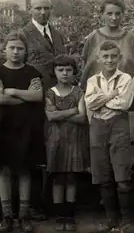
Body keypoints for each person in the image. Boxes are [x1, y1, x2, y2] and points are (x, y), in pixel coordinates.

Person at [0, 30, 45, 232]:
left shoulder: (32, 73)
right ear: (5, 50)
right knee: (3, 170)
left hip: (25, 128)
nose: (15, 52)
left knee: (24, 169)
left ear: (25, 51)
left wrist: (12, 91)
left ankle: (24, 216)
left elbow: (38, 96)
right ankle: (7, 216)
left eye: (20, 48)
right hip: (4, 127)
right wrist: (24, 98)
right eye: (11, 48)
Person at [22, 0, 67, 221]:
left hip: (56, 101)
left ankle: (49, 203)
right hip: (33, 104)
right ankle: (31, 205)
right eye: (38, 8)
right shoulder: (22, 35)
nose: (42, 13)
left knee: (53, 149)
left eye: (46, 8)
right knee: (34, 152)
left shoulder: (57, 35)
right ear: (30, 10)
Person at [84, 41, 134, 232]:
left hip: (119, 126)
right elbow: (90, 103)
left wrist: (102, 100)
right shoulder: (92, 81)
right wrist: (111, 95)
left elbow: (124, 104)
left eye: (114, 56)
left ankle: (126, 220)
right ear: (99, 58)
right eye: (105, 56)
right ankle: (111, 220)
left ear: (120, 58)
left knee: (122, 175)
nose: (109, 60)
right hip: (97, 127)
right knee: (103, 175)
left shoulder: (125, 78)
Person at [44, 55, 89, 231]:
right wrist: (72, 110)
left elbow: (82, 117)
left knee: (71, 178)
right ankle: (59, 216)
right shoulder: (49, 93)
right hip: (55, 141)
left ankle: (69, 216)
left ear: (73, 72)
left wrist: (60, 113)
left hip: (73, 141)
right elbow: (50, 116)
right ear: (54, 72)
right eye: (60, 70)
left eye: (68, 70)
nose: (64, 73)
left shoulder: (79, 92)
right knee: (57, 179)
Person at [80, 0, 134, 91]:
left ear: (122, 15)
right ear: (102, 14)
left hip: (124, 94)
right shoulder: (93, 37)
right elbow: (85, 67)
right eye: (109, 13)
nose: (114, 17)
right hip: (97, 94)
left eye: (117, 13)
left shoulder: (130, 38)